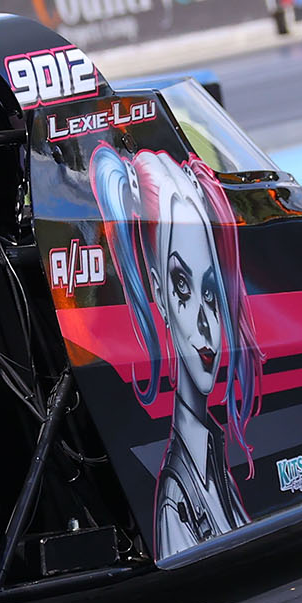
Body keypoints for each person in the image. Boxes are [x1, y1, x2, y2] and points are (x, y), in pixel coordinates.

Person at [91, 144, 264, 559]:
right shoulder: (176, 503)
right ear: (158, 292)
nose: (205, 322)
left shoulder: (214, 462)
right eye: (183, 288)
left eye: (211, 292)